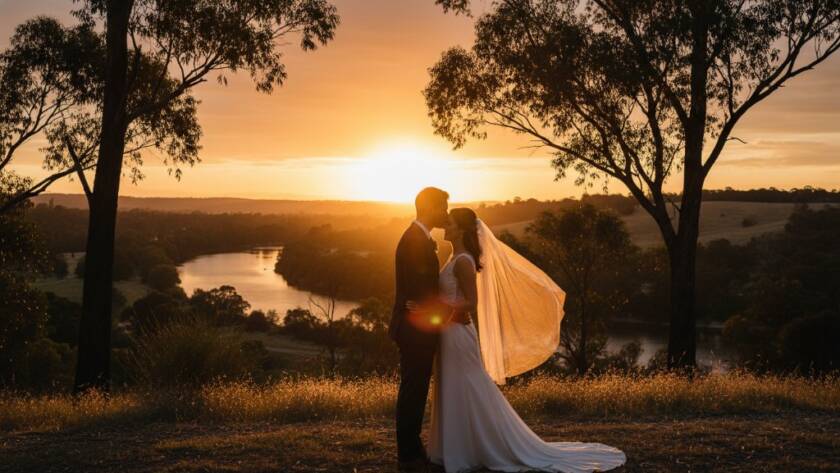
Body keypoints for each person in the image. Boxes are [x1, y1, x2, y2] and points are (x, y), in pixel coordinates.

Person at [427, 207, 626, 473]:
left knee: (469, 386)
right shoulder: (455, 256)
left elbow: (471, 302)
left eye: (449, 223)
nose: (444, 227)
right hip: (450, 332)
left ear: (462, 229)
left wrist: (441, 310)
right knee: (455, 385)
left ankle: (483, 445)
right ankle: (460, 445)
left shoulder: (463, 260)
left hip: (457, 332)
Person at [389, 187, 468, 472]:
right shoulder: (414, 239)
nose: (445, 213)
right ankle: (408, 458)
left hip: (417, 326)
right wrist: (450, 312)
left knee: (416, 390)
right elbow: (421, 291)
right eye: (443, 207)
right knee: (413, 390)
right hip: (413, 329)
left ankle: (413, 449)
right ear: (430, 207)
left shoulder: (420, 238)